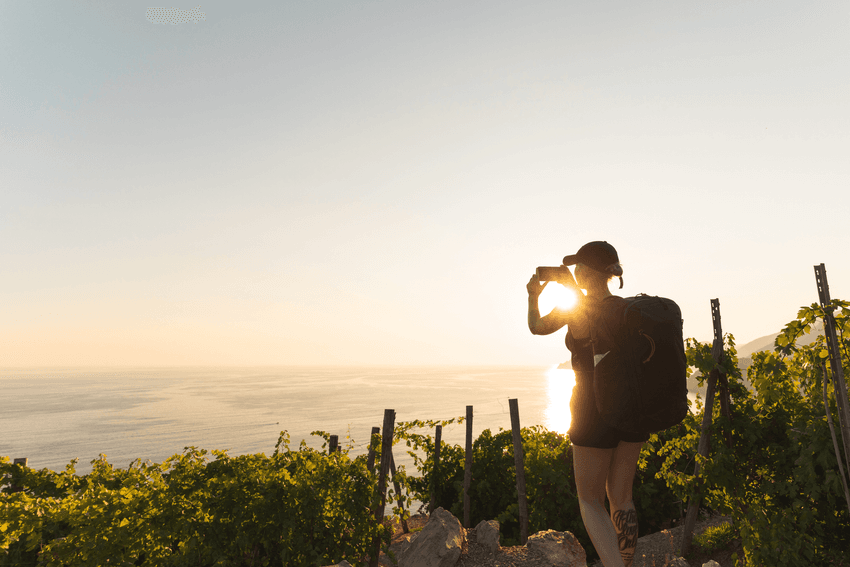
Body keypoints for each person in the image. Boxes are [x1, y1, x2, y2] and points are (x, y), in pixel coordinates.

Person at [526, 241, 646, 567]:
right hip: (633, 410)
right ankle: (626, 562)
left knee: (590, 501)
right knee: (622, 497)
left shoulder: (577, 308)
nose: (575, 271)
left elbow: (536, 327)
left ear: (585, 270)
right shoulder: (628, 310)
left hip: (593, 408)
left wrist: (533, 296)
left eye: (578, 266)